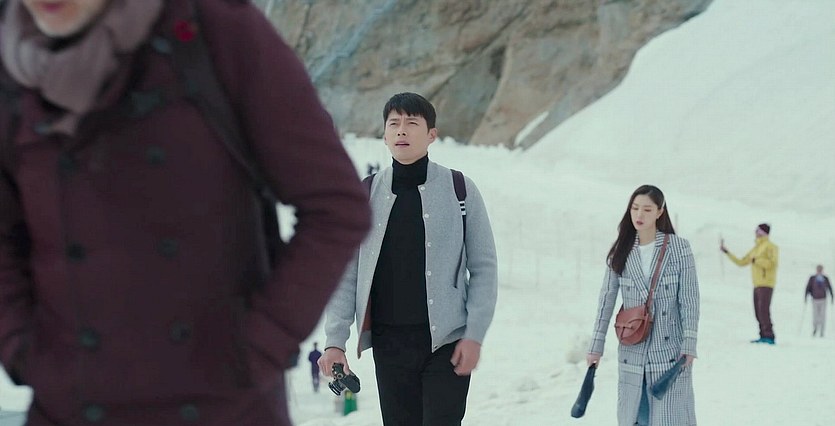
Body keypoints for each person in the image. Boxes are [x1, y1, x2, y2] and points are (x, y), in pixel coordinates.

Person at [0, 1, 371, 425]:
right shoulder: (11, 59)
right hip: (70, 406)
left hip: (220, 405)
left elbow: (335, 206)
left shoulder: (215, 30)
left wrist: (260, 346)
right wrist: (21, 347)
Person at [318, 92, 498, 426]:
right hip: (389, 346)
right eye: (394, 123)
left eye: (412, 123)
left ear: (432, 134)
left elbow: (484, 268)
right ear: (385, 136)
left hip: (447, 343)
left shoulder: (460, 189)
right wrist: (335, 342)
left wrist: (474, 335)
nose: (402, 130)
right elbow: (347, 275)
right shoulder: (365, 194)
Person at [587, 185, 699, 426]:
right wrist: (596, 346)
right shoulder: (621, 250)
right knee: (638, 418)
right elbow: (606, 301)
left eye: (647, 210)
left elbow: (690, 300)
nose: (639, 215)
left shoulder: (679, 248)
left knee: (670, 418)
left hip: (670, 353)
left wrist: (689, 344)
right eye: (635, 208)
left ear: (659, 212)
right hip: (632, 350)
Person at [721, 223, 779, 344]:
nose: (755, 232)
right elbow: (741, 262)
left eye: (758, 231)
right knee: (758, 312)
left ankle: (769, 336)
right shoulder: (756, 248)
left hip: (766, 283)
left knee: (763, 310)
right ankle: (763, 335)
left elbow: (772, 264)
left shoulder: (771, 247)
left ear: (763, 232)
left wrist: (756, 260)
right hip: (757, 284)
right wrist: (727, 252)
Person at [805, 265, 833, 337]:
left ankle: (822, 331)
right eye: (818, 269)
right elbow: (808, 287)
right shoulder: (812, 278)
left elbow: (830, 287)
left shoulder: (825, 278)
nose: (819, 271)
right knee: (815, 315)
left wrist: (832, 296)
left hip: (823, 299)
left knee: (822, 315)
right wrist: (806, 296)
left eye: (820, 269)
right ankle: (815, 328)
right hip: (815, 299)